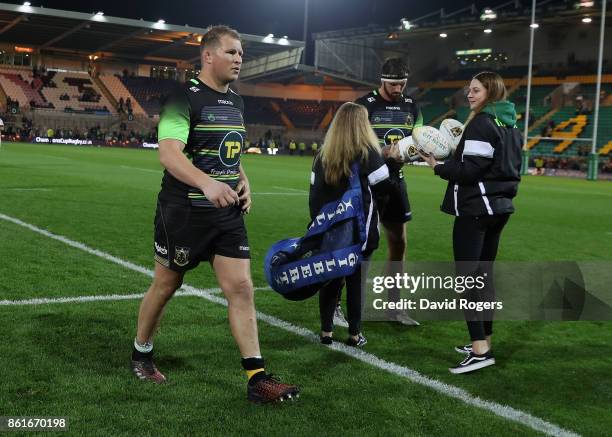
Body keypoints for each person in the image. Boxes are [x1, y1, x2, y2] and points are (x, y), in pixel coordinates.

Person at [130, 25, 298, 403]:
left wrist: (243, 180)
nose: (239, 59)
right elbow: (169, 153)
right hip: (183, 212)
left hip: (226, 213)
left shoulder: (235, 101)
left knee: (241, 288)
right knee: (167, 285)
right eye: (232, 52)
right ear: (208, 56)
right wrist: (206, 184)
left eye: (241, 54)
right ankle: (141, 353)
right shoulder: (181, 96)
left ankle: (257, 379)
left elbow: (228, 153)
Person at [419, 71, 522, 374]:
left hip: (477, 208)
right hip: (500, 208)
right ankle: (485, 340)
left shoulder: (481, 123)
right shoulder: (510, 124)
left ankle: (479, 350)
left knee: (467, 279)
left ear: (490, 92)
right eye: (469, 89)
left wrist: (437, 166)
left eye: (476, 90)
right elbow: (495, 166)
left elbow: (470, 172)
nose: (469, 94)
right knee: (484, 276)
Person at [309, 102, 401, 346]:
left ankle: (326, 332)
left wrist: (318, 229)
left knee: (330, 281)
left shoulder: (322, 155)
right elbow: (386, 188)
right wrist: (394, 165)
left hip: (330, 232)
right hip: (361, 231)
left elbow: (314, 196)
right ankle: (354, 334)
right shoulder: (367, 153)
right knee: (356, 283)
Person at [351, 57, 423, 326]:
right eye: (393, 84)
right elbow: (351, 143)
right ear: (382, 80)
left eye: (402, 83)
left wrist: (413, 152)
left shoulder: (411, 105)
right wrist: (380, 152)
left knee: (399, 243)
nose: (398, 89)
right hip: (367, 183)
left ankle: (394, 308)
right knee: (357, 244)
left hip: (396, 181)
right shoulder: (363, 106)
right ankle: (339, 306)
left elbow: (418, 137)